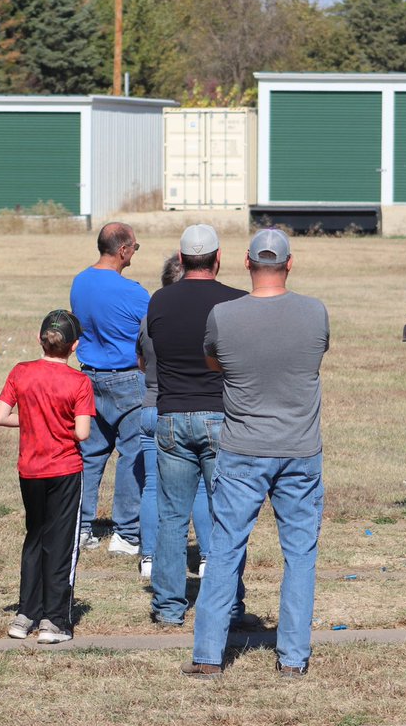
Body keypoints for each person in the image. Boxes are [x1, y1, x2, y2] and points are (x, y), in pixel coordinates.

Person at [185, 229, 329, 681]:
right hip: (299, 449)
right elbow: (315, 357)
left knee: (225, 548)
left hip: (243, 448)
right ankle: (292, 658)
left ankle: (208, 655)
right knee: (300, 554)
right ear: (290, 263)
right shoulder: (315, 312)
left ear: (245, 263)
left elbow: (215, 362)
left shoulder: (223, 315)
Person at [148, 226, 247, 628]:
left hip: (171, 414)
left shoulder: (159, 301)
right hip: (220, 415)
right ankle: (229, 605)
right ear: (218, 258)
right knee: (228, 515)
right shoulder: (236, 302)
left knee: (172, 516)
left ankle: (169, 607)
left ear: (181, 257)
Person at [0, 310, 94, 645]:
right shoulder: (79, 382)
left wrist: (33, 420)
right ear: (75, 346)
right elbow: (82, 433)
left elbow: (0, 416)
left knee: (34, 538)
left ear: (40, 339)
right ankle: (54, 620)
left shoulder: (21, 372)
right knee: (62, 543)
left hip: (30, 470)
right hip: (64, 469)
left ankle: (25, 614)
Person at [69, 222, 148, 555]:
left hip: (89, 378)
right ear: (123, 250)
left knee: (90, 454)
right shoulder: (134, 292)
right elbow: (150, 335)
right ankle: (126, 533)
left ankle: (82, 527)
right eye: (135, 247)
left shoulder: (80, 282)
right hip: (128, 378)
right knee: (132, 455)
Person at [137, 254, 213, 581]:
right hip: (183, 406)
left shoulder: (150, 316)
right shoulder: (201, 317)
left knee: (153, 487)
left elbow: (140, 361)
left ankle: (149, 557)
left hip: (150, 405)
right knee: (199, 491)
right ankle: (209, 556)